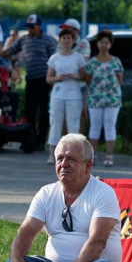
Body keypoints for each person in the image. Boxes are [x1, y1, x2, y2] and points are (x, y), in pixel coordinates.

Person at [5, 133, 123, 262]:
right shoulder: (46, 193)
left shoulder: (104, 193)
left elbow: (97, 242)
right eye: (60, 158)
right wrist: (17, 258)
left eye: (71, 159)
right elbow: (26, 232)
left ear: (88, 166)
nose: (64, 164)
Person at [1, 14, 56, 147]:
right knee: (29, 111)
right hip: (30, 79)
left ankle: (40, 141)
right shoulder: (23, 40)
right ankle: (28, 140)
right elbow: (9, 51)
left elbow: (54, 60)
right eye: (29, 27)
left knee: (43, 112)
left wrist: (52, 80)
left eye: (33, 27)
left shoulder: (48, 40)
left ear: (39, 26)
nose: (30, 29)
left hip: (44, 80)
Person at [81, 29, 124, 167]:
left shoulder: (116, 61)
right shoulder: (92, 62)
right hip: (95, 98)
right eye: (101, 42)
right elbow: (87, 79)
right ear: (97, 44)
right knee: (95, 126)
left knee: (110, 125)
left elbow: (119, 79)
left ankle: (109, 155)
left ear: (110, 45)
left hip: (112, 99)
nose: (104, 45)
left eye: (106, 42)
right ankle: (93, 155)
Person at [45, 28, 87, 165]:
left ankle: (75, 156)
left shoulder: (78, 57)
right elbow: (48, 79)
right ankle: (53, 154)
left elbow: (84, 77)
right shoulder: (55, 57)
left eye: (69, 38)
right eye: (64, 38)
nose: (67, 41)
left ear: (73, 40)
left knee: (73, 126)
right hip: (58, 94)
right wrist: (58, 78)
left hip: (74, 95)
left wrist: (76, 76)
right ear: (60, 40)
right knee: (55, 124)